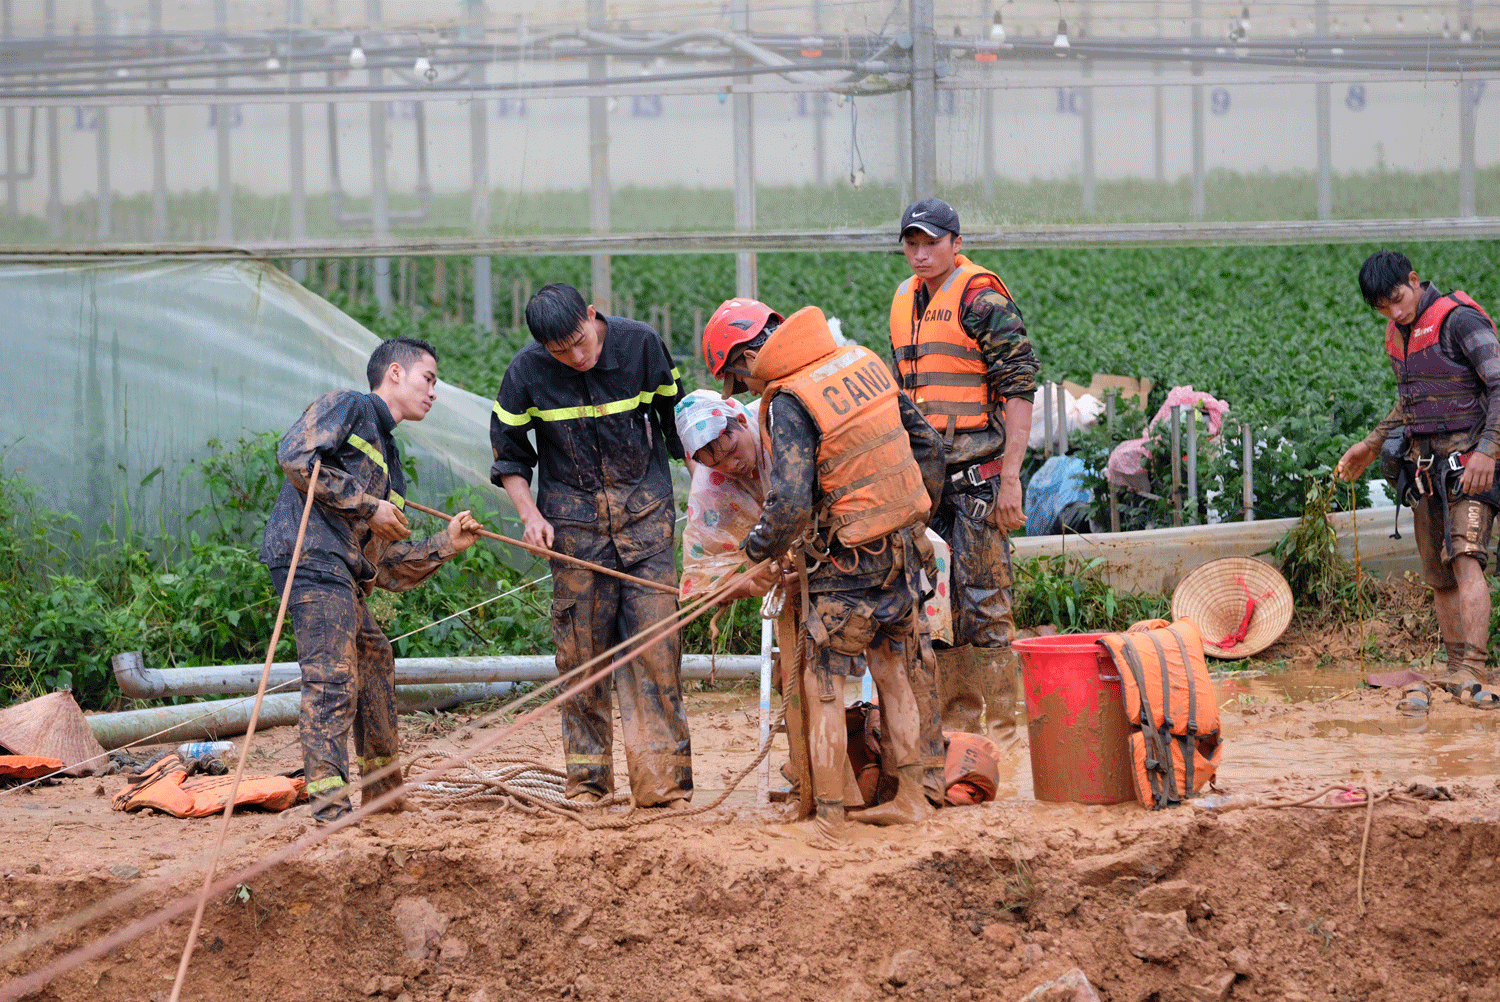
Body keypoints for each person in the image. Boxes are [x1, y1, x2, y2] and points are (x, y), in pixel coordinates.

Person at [718, 302, 947, 836]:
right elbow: (929, 448)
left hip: (846, 564)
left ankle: (830, 817)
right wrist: (910, 512)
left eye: (740, 378)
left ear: (754, 355)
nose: (747, 392)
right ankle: (912, 798)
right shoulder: (861, 361)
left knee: (823, 685)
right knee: (893, 672)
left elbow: (792, 502)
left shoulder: (792, 399)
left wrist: (754, 554)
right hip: (901, 550)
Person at [259, 336, 483, 822]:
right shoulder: (351, 406)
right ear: (395, 373)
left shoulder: (393, 468)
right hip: (311, 556)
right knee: (332, 678)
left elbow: (383, 564)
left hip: (344, 570)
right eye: (429, 378)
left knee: (375, 657)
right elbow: (296, 456)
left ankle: (382, 792)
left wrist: (445, 544)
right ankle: (329, 804)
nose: (434, 393)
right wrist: (368, 505)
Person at [490, 283, 694, 807]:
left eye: (582, 341)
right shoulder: (526, 372)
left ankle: (663, 782)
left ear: (591, 314)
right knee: (580, 659)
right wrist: (529, 514)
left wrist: (710, 507)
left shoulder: (641, 345)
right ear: (543, 349)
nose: (578, 358)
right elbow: (510, 455)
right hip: (573, 533)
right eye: (562, 352)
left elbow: (680, 429)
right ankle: (588, 782)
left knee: (657, 650)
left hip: (646, 524)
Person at [889, 197, 1039, 739]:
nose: (922, 253)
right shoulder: (906, 298)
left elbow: (1020, 387)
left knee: (986, 607)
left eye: (932, 242)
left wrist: (1012, 478)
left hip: (979, 472)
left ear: (956, 243)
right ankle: (958, 730)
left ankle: (1000, 733)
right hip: (925, 477)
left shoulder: (982, 297)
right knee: (937, 608)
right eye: (913, 243)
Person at [1336, 250, 1500, 709]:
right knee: (1439, 574)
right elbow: (1409, 405)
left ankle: (1475, 667)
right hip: (1425, 467)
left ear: (1413, 280)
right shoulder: (1398, 334)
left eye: (1398, 299)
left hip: (1472, 460)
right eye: (1383, 309)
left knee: (1467, 560)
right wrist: (1371, 445)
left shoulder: (1460, 321)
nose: (1394, 312)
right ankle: (1454, 668)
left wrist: (1489, 450)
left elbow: (1499, 385)